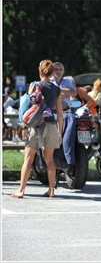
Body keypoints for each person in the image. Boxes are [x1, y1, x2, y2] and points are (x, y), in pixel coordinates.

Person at [11, 59, 63, 198]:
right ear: (52, 73)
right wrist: (59, 132)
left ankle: (21, 190)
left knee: (28, 158)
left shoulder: (34, 85)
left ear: (40, 71)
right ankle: (51, 190)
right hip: (51, 126)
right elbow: (60, 113)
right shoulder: (57, 89)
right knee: (50, 160)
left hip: (35, 126)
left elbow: (26, 105)